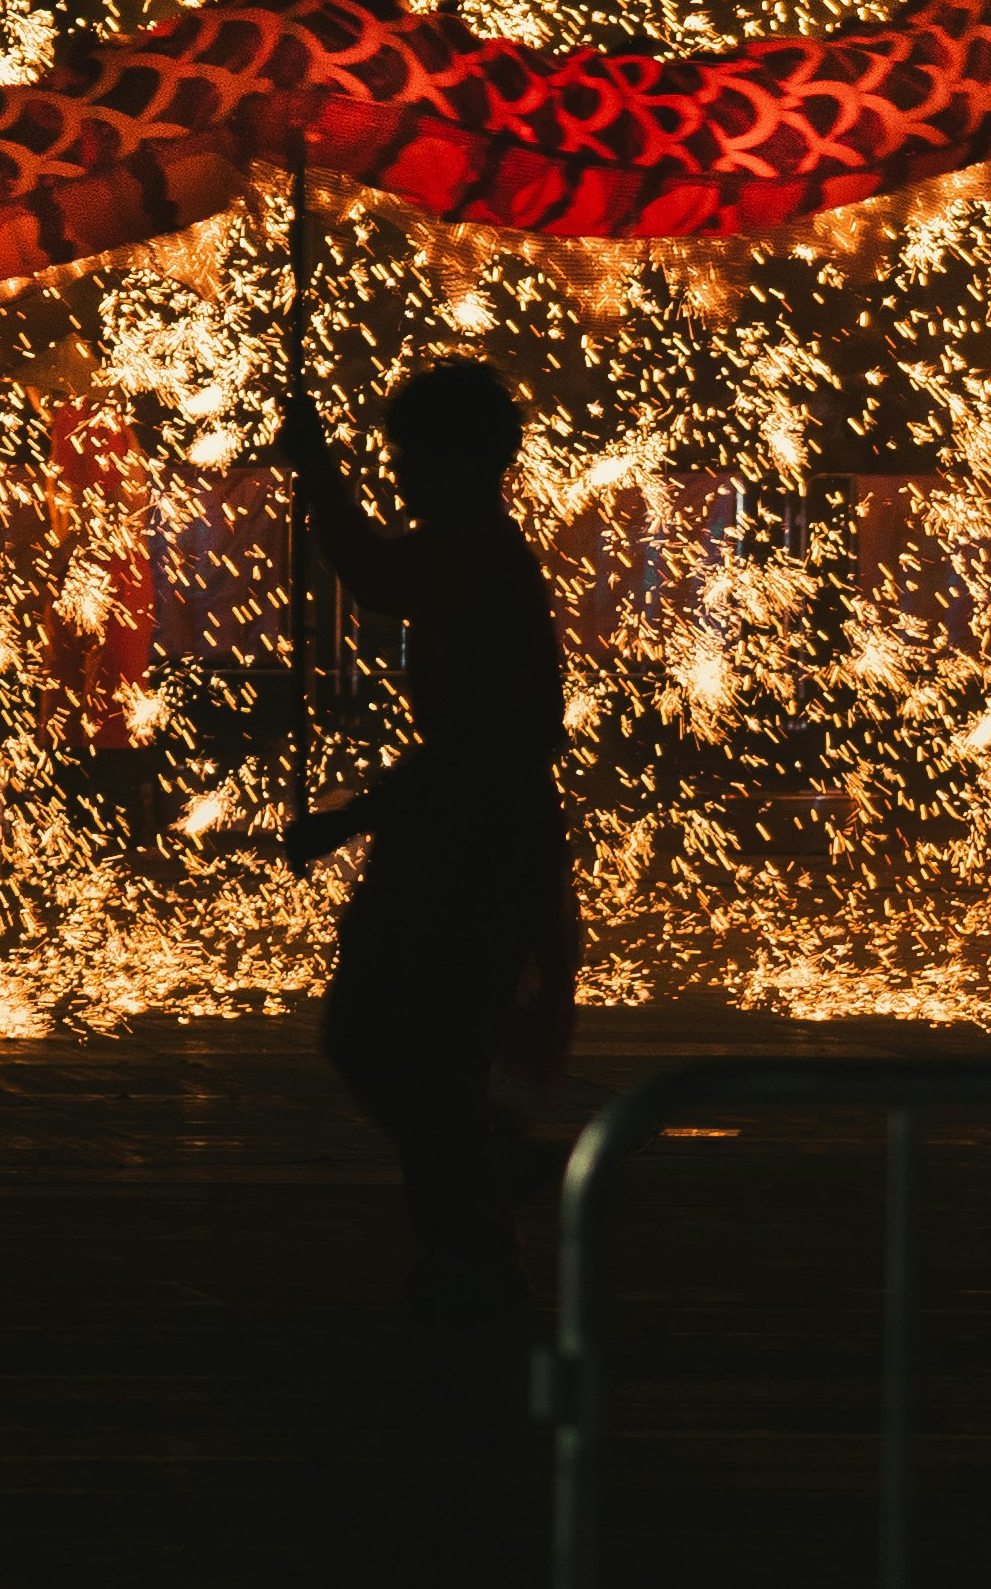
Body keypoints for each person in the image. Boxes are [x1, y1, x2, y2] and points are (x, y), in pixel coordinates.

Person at [278, 360, 581, 1332]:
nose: (400, 476)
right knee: (398, 1043)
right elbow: (378, 576)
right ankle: (477, 1205)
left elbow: (474, 745)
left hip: (472, 844)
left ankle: (475, 1235)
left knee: (403, 1043)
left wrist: (319, 471)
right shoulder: (472, 553)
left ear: (460, 462)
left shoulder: (477, 563)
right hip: (461, 833)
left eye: (410, 458)